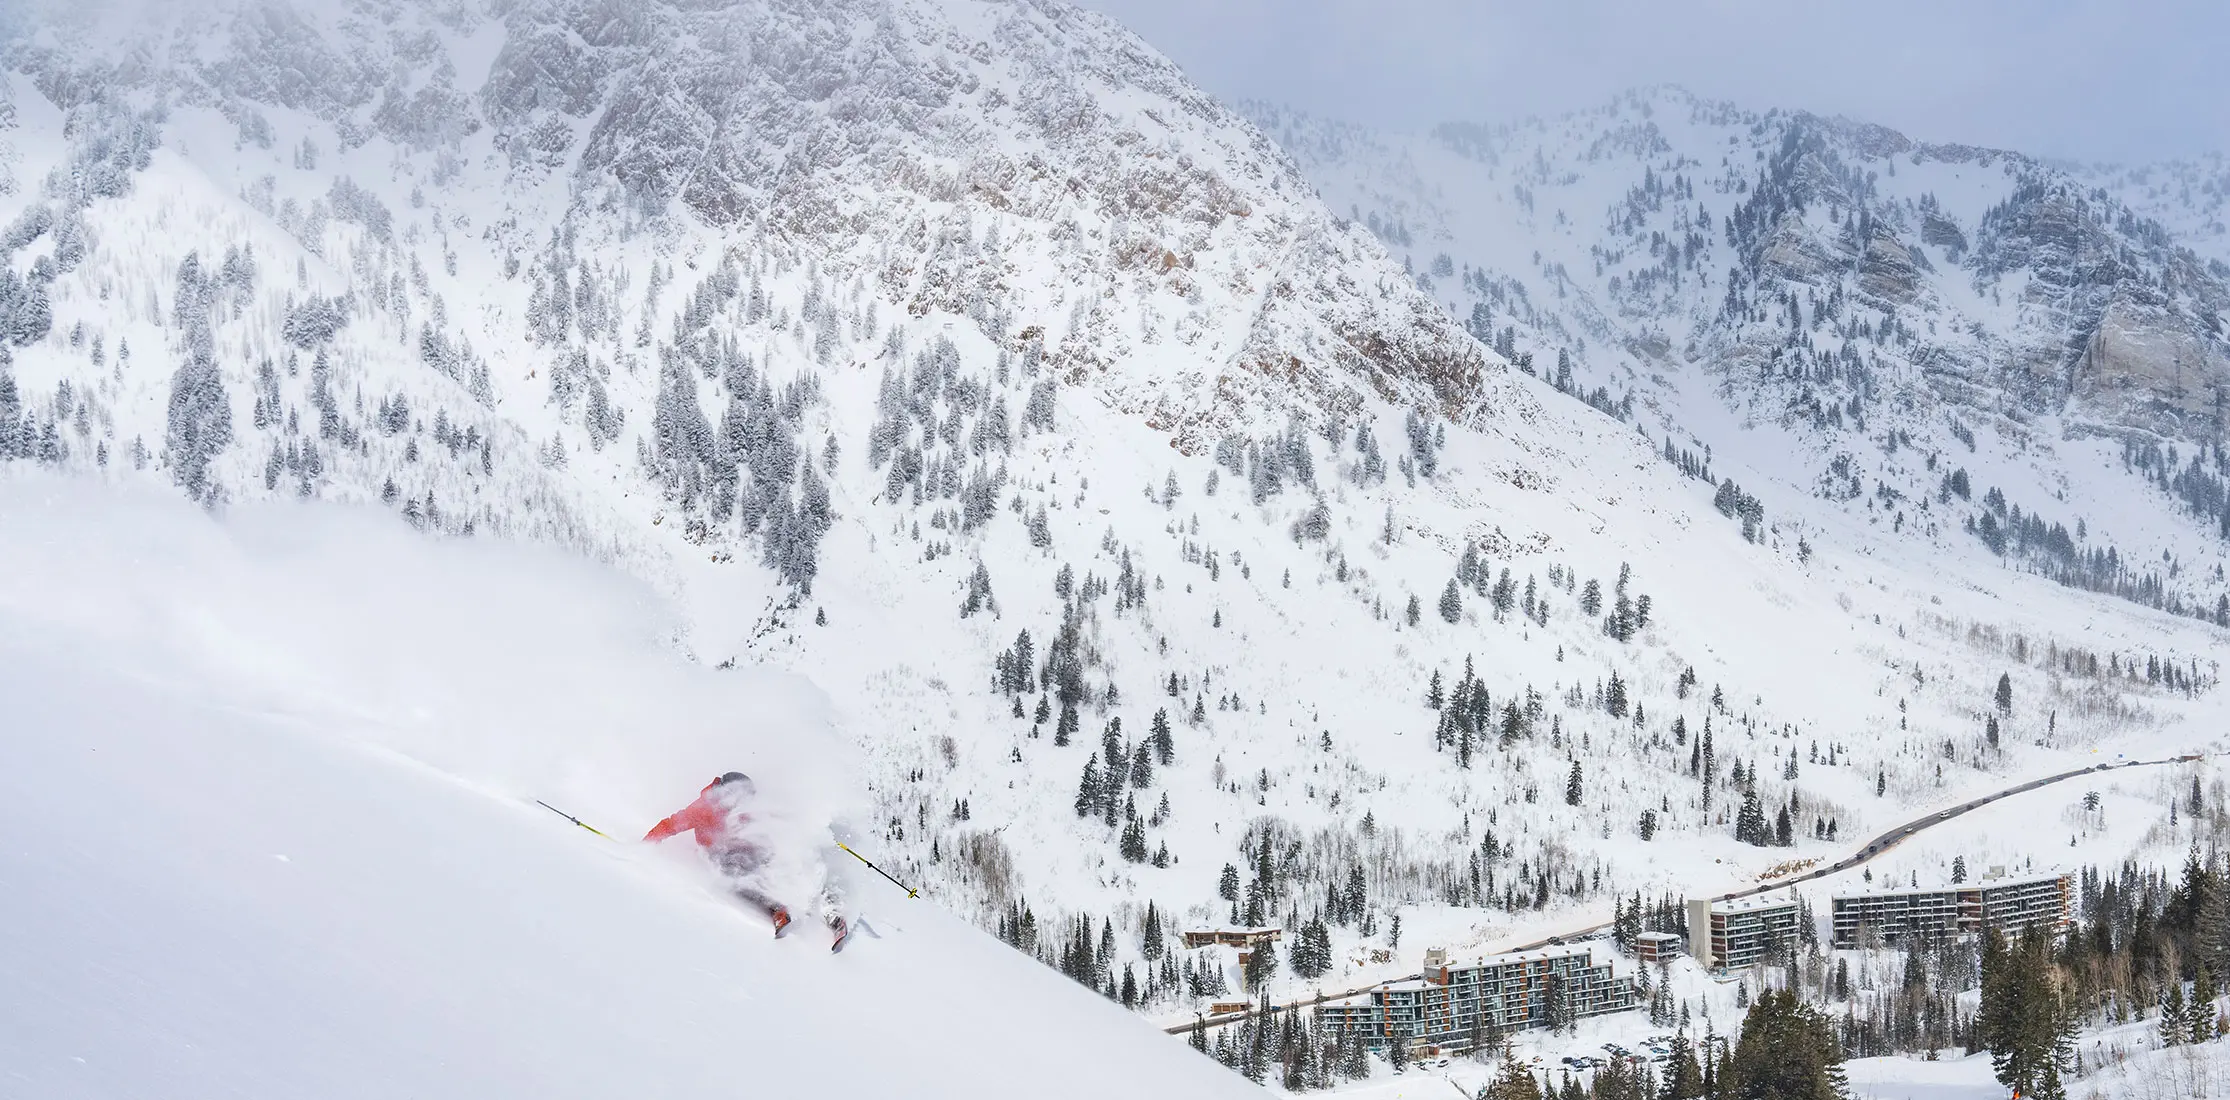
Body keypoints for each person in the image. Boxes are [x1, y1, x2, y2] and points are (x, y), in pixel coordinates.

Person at [644, 772, 848, 950]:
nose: (743, 803)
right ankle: (776, 906)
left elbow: (776, 817)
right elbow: (672, 824)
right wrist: (645, 844)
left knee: (796, 864)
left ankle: (832, 912)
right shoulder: (704, 808)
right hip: (721, 856)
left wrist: (809, 827)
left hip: (752, 850)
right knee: (737, 876)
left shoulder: (746, 807)